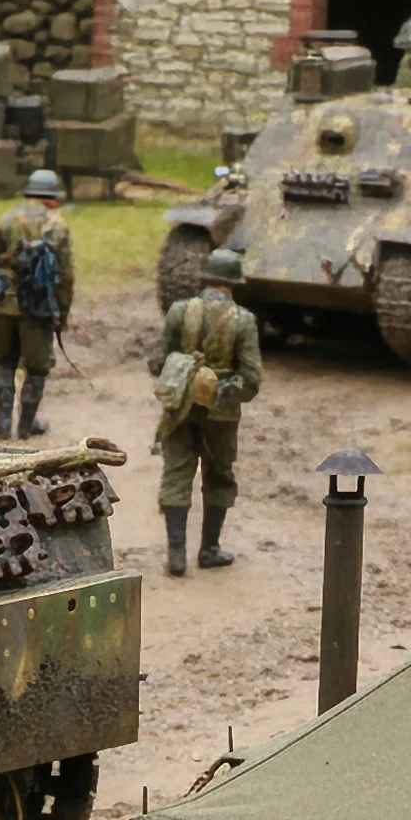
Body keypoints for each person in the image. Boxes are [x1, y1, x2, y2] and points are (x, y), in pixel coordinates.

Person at [149, 246, 263, 577]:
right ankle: (209, 549)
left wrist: (183, 377)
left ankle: (176, 555)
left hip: (178, 409)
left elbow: (157, 361)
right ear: (232, 283)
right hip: (221, 415)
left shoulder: (179, 312)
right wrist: (224, 389)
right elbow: (252, 379)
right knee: (219, 475)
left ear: (206, 278)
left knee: (176, 472)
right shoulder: (243, 321)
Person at [0, 169, 76, 441]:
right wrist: (62, 313)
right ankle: (26, 425)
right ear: (53, 198)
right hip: (39, 308)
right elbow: (65, 277)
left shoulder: (7, 220)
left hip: (3, 305)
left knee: (0, 360)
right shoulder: (58, 227)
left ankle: (2, 422)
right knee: (37, 366)